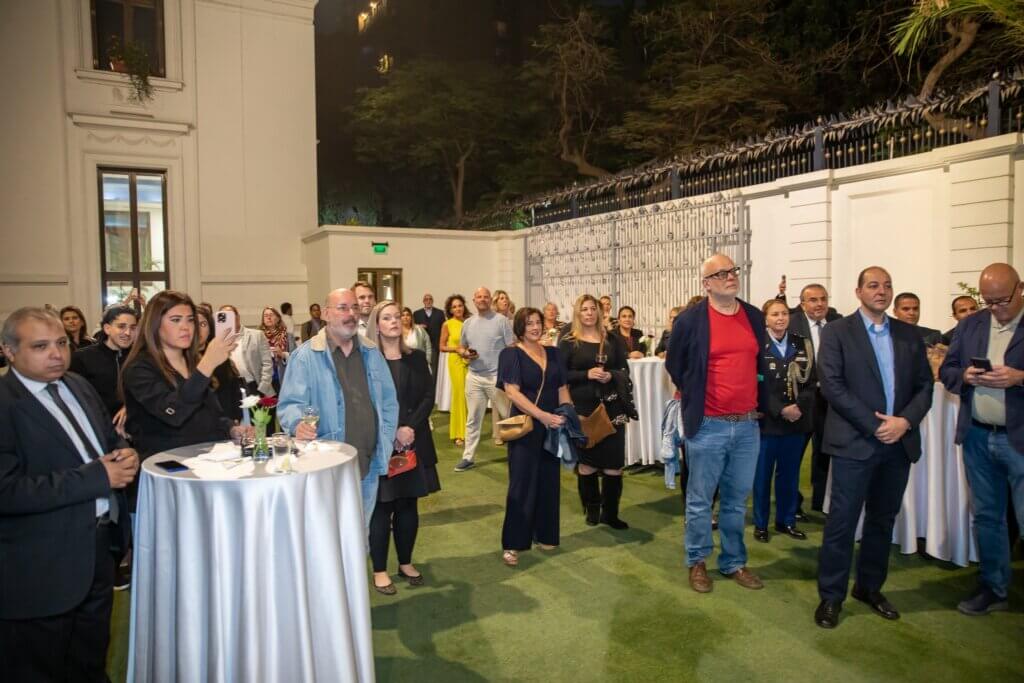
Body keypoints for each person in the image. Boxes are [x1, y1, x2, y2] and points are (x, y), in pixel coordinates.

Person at [0, 307, 140, 681]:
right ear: (9, 351)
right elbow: (7, 490)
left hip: (97, 550)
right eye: (40, 346)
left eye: (61, 343)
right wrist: (97, 477)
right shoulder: (5, 403)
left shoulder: (77, 384)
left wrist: (125, 453)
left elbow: (106, 439)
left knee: (90, 662)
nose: (56, 354)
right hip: (41, 566)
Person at [814, 266, 934, 629]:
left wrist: (905, 422)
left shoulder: (908, 334)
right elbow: (832, 386)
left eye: (887, 285)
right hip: (855, 443)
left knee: (883, 521)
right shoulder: (837, 332)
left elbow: (925, 386)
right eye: (873, 285)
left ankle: (869, 587)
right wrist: (876, 425)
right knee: (842, 523)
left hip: (898, 445)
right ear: (858, 291)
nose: (881, 291)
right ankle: (831, 596)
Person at [665, 253, 769, 594]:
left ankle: (733, 561)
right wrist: (698, 394)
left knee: (737, 500)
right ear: (707, 284)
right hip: (708, 424)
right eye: (722, 273)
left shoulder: (753, 316)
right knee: (700, 500)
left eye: (733, 270)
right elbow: (675, 365)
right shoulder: (690, 321)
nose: (731, 276)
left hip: (748, 425)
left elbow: (759, 362)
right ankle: (697, 561)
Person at [940, 263, 1024, 616]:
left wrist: (1019, 377)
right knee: (987, 517)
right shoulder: (971, 324)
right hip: (977, 435)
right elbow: (947, 370)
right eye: (989, 302)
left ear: (1020, 289)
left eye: (1002, 301)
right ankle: (994, 587)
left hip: (1019, 439)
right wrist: (965, 376)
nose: (996, 308)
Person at [278, 288, 399, 524]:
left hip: (367, 465)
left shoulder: (371, 352)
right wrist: (297, 424)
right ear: (325, 314)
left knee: (360, 535)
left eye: (354, 308)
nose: (351, 314)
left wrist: (384, 441)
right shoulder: (305, 357)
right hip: (325, 468)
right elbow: (290, 404)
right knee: (326, 535)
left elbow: (388, 402)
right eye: (343, 308)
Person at [364, 302, 441, 595]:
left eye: (397, 316)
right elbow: (366, 402)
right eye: (387, 318)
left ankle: (406, 563)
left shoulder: (416, 358)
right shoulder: (367, 360)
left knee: (409, 505)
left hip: (413, 440)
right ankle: (380, 570)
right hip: (381, 444)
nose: (394, 321)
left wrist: (409, 427)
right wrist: (393, 430)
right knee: (382, 508)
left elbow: (428, 396)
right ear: (376, 324)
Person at [122, 291, 247, 464]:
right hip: (168, 465)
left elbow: (211, 413)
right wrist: (207, 365)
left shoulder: (193, 361)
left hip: (208, 459)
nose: (185, 327)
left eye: (190, 320)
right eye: (175, 320)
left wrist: (231, 429)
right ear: (155, 324)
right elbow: (174, 412)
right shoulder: (139, 368)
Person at [498, 307, 572, 567]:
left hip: (552, 426)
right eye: (529, 323)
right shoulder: (510, 354)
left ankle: (546, 534)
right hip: (527, 426)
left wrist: (567, 413)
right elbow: (512, 392)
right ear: (520, 327)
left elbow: (562, 388)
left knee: (549, 480)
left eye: (538, 322)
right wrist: (542, 415)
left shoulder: (554, 353)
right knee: (521, 483)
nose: (535, 327)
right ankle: (513, 543)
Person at [559, 294, 632, 530]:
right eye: (585, 309)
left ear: (599, 312)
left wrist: (611, 375)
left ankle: (610, 514)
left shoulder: (612, 339)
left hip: (612, 408)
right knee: (587, 464)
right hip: (583, 408)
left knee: (614, 464)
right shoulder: (569, 341)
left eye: (593, 309)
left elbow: (624, 370)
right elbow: (560, 375)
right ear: (578, 313)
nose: (589, 313)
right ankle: (591, 508)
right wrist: (586, 374)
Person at [752, 299, 815, 543]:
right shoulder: (757, 344)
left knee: (790, 475)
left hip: (796, 421)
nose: (781, 318)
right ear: (765, 319)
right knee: (762, 476)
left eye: (784, 314)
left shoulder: (801, 343)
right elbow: (755, 384)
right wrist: (780, 409)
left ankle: (786, 520)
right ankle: (761, 524)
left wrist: (799, 407)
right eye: (775, 314)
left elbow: (811, 381)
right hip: (768, 422)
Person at [786, 283, 842, 516]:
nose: (819, 304)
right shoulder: (791, 324)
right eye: (813, 300)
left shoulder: (838, 322)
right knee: (794, 454)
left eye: (823, 299)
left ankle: (821, 502)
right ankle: (791, 504)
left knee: (826, 452)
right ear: (802, 304)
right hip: (801, 399)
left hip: (831, 401)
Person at [453, 287, 515, 472]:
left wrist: (508, 375)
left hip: (496, 378)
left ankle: (520, 454)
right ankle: (468, 457)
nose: (482, 299)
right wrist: (465, 353)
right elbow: (461, 347)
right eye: (479, 297)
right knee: (473, 419)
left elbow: (512, 347)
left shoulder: (501, 321)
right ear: (474, 300)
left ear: (490, 300)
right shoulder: (468, 323)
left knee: (509, 418)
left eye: (485, 297)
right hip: (474, 377)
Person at [70, 304, 138, 425]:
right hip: (98, 425)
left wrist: (130, 406)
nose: (128, 333)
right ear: (107, 328)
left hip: (136, 425)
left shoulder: (140, 357)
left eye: (133, 328)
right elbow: (75, 398)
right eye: (121, 326)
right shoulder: (82, 358)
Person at [196, 304, 243, 422]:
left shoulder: (220, 354)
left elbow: (232, 389)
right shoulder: (181, 358)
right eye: (194, 324)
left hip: (225, 421)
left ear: (210, 328)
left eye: (203, 324)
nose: (198, 329)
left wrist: (235, 418)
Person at [219, 304, 275, 398]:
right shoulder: (218, 341)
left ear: (238, 317)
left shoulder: (257, 335)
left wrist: (262, 388)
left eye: (230, 315)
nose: (228, 319)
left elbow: (267, 363)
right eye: (224, 316)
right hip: (231, 390)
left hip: (255, 386)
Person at [440, 294, 470, 447]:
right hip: (456, 362)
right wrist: (456, 349)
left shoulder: (469, 322)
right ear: (450, 310)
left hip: (470, 361)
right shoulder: (447, 324)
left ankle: (469, 432)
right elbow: (442, 346)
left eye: (460, 305)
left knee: (469, 397)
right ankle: (459, 433)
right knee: (459, 396)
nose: (458, 308)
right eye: (454, 307)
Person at [260, 306, 295, 394]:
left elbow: (296, 357)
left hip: (284, 377)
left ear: (278, 318)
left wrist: (283, 355)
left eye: (271, 315)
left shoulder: (288, 336)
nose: (268, 317)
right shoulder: (257, 337)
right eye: (266, 315)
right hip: (264, 378)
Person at [413, 293, 446, 374]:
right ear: (423, 301)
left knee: (435, 369)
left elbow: (444, 328)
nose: (428, 301)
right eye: (426, 299)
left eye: (430, 299)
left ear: (432, 301)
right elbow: (412, 328)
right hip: (421, 345)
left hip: (435, 345)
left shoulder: (440, 313)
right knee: (421, 367)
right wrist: (418, 326)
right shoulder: (416, 314)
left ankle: (433, 382)